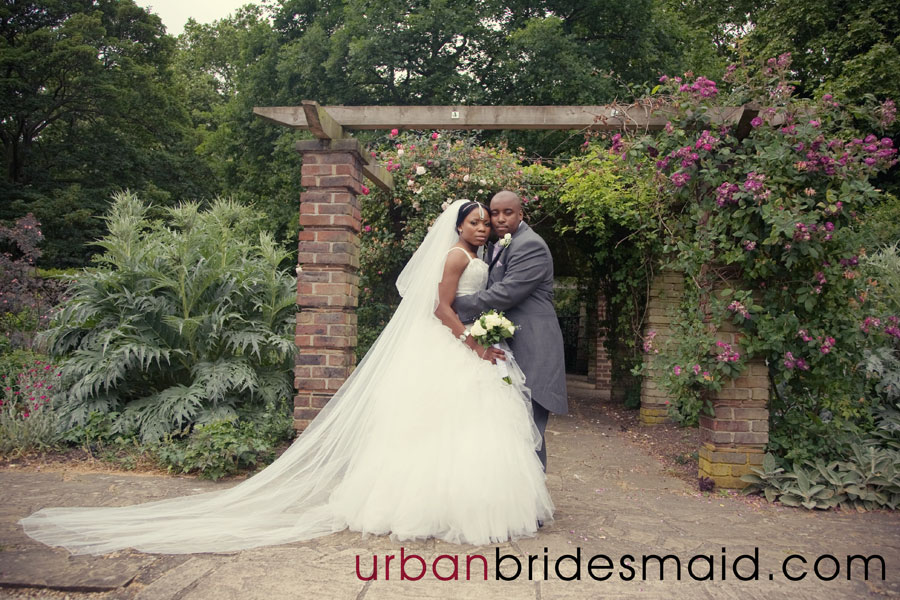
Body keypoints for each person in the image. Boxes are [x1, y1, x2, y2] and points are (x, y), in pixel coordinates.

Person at [19, 199, 553, 555]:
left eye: (488, 221)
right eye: (477, 220)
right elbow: (441, 308)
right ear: (458, 226)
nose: (483, 226)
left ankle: (461, 500)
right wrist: (471, 341)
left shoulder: (488, 252)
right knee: (439, 422)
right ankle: (433, 505)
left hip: (465, 341)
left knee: (459, 426)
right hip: (452, 341)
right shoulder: (458, 257)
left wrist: (480, 337)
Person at [453, 191, 568, 471]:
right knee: (511, 424)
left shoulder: (530, 245)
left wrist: (455, 304)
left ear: (521, 215)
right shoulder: (504, 243)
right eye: (495, 212)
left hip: (533, 346)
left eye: (508, 212)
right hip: (508, 346)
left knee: (529, 426)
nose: (500, 218)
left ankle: (532, 510)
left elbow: (506, 293)